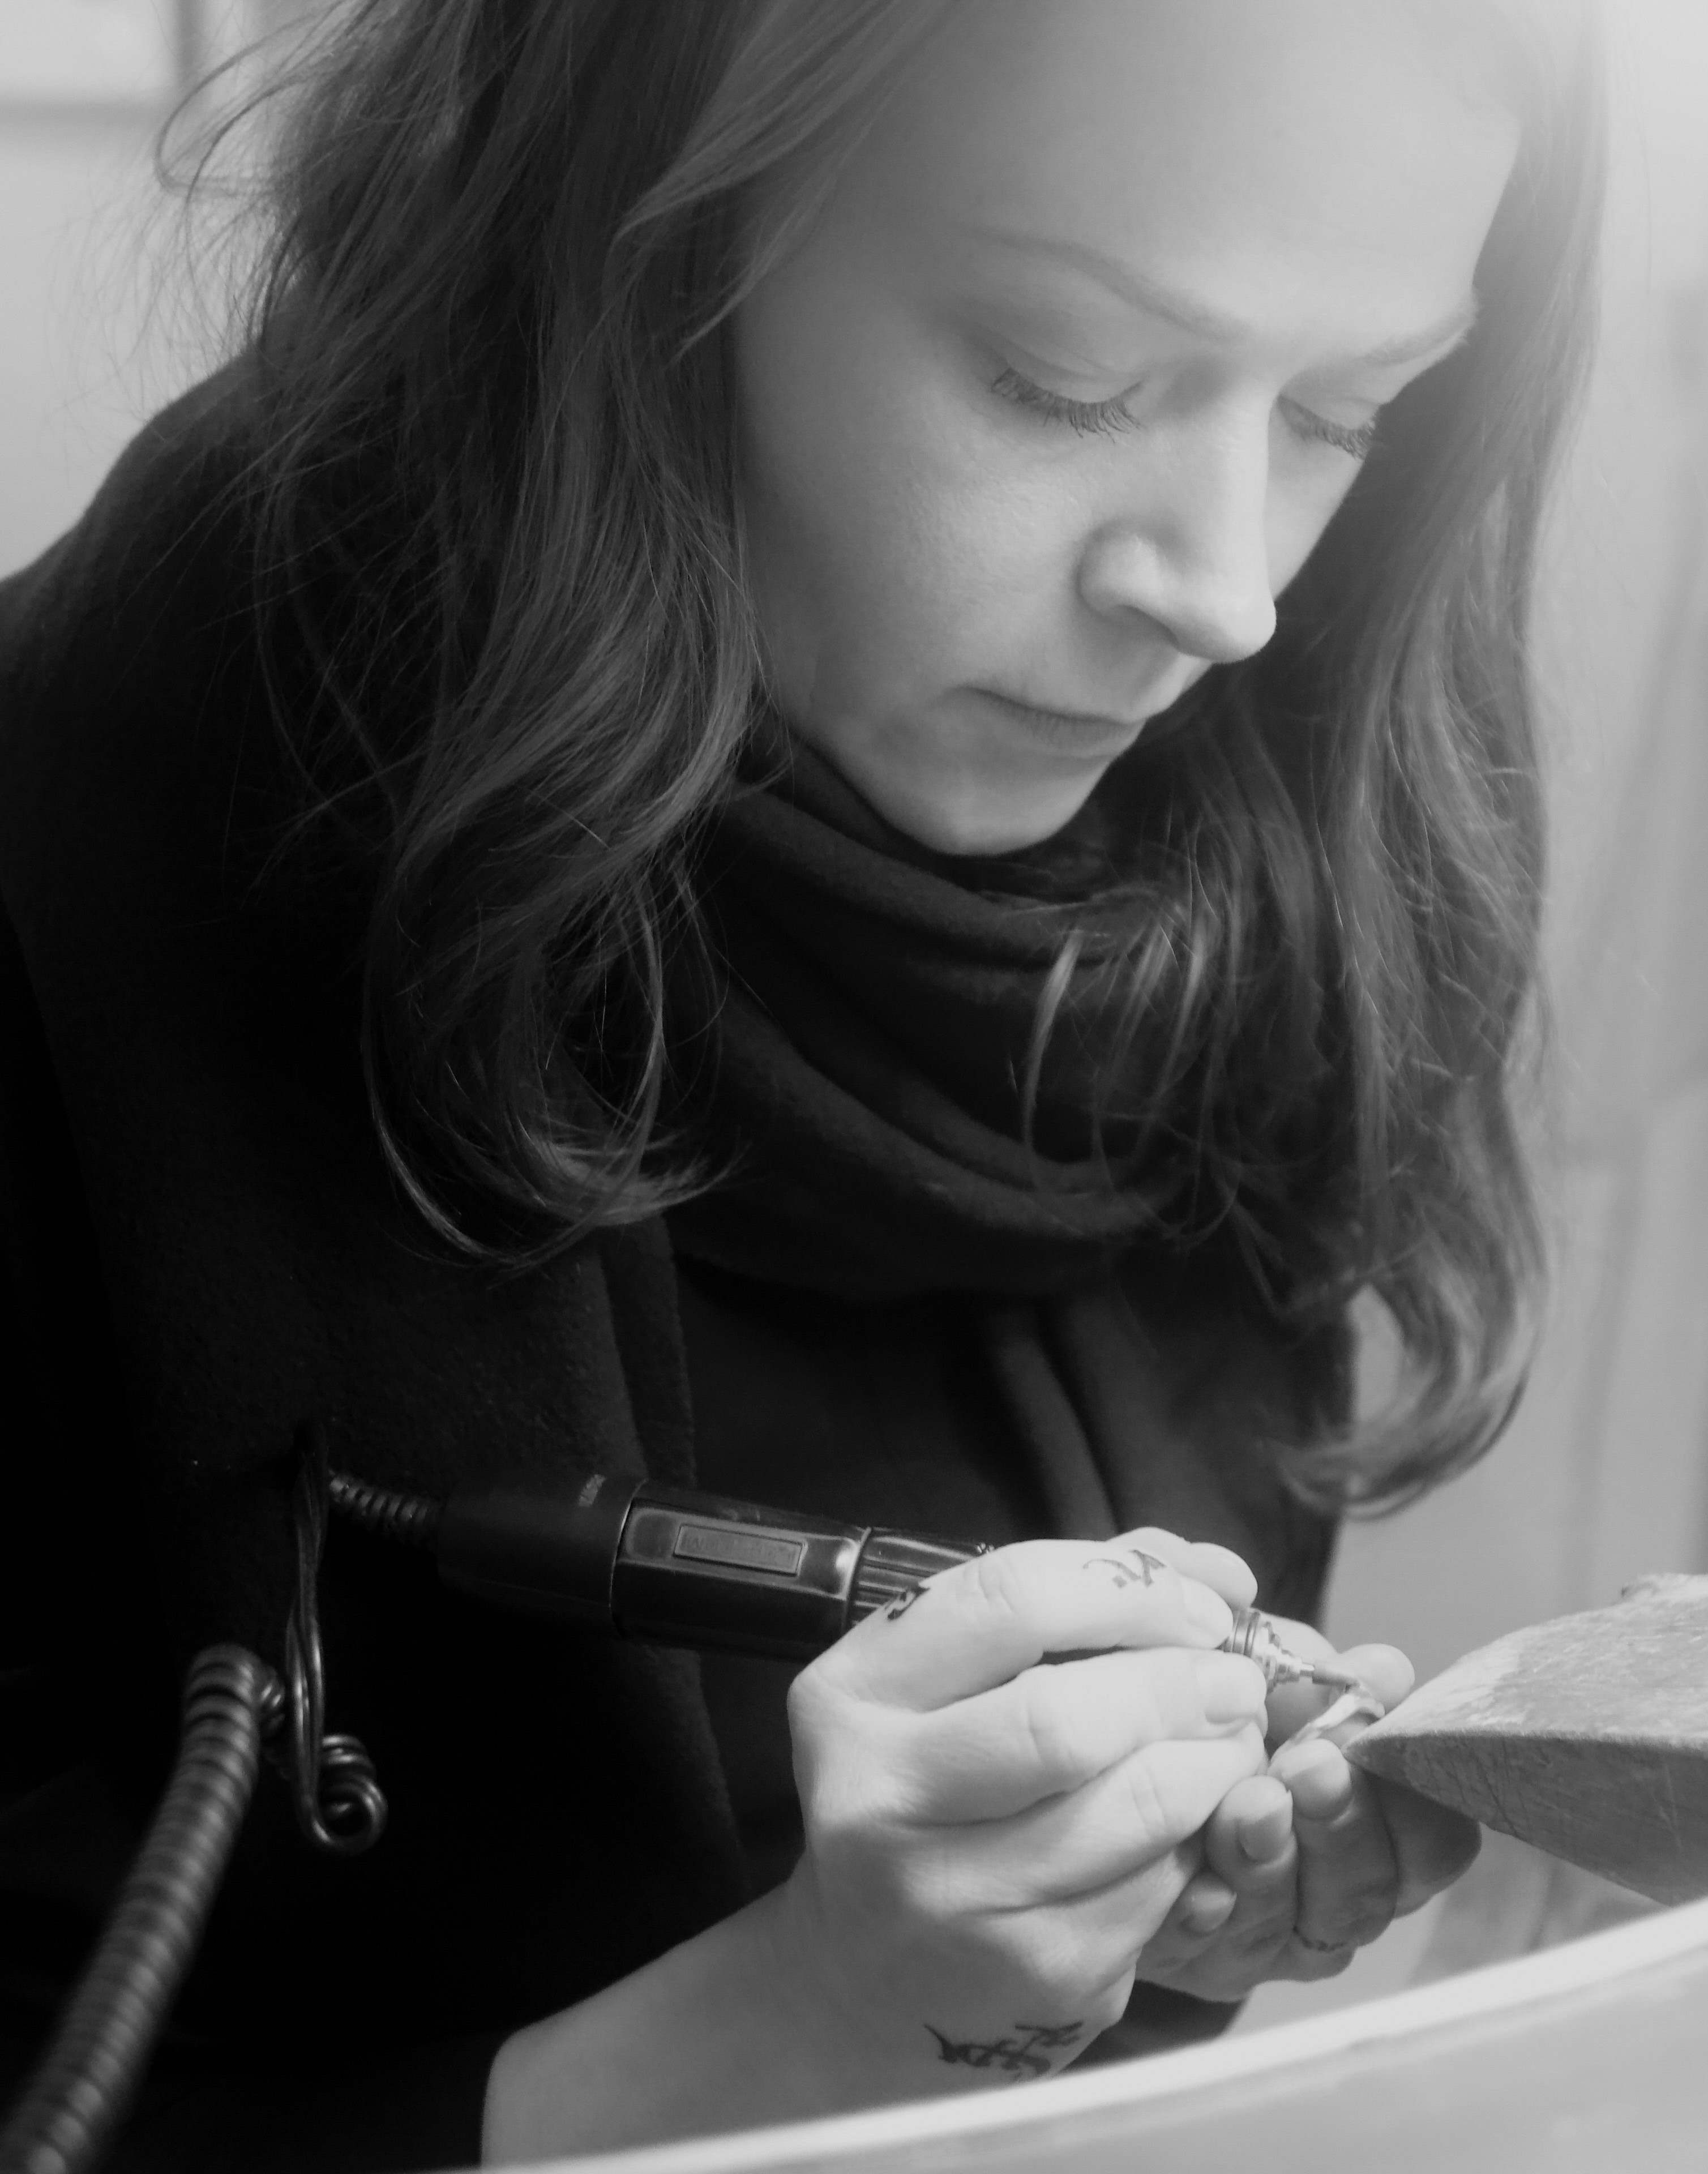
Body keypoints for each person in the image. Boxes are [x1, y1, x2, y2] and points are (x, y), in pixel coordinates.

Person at [0, 1, 1604, 2167]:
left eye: (1343, 412)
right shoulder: (78, 909)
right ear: (634, 232)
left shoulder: (1239, 878)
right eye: (1063, 375)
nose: (1223, 595)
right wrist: (798, 2024)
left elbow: (1043, 2041)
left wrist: (1124, 1946)